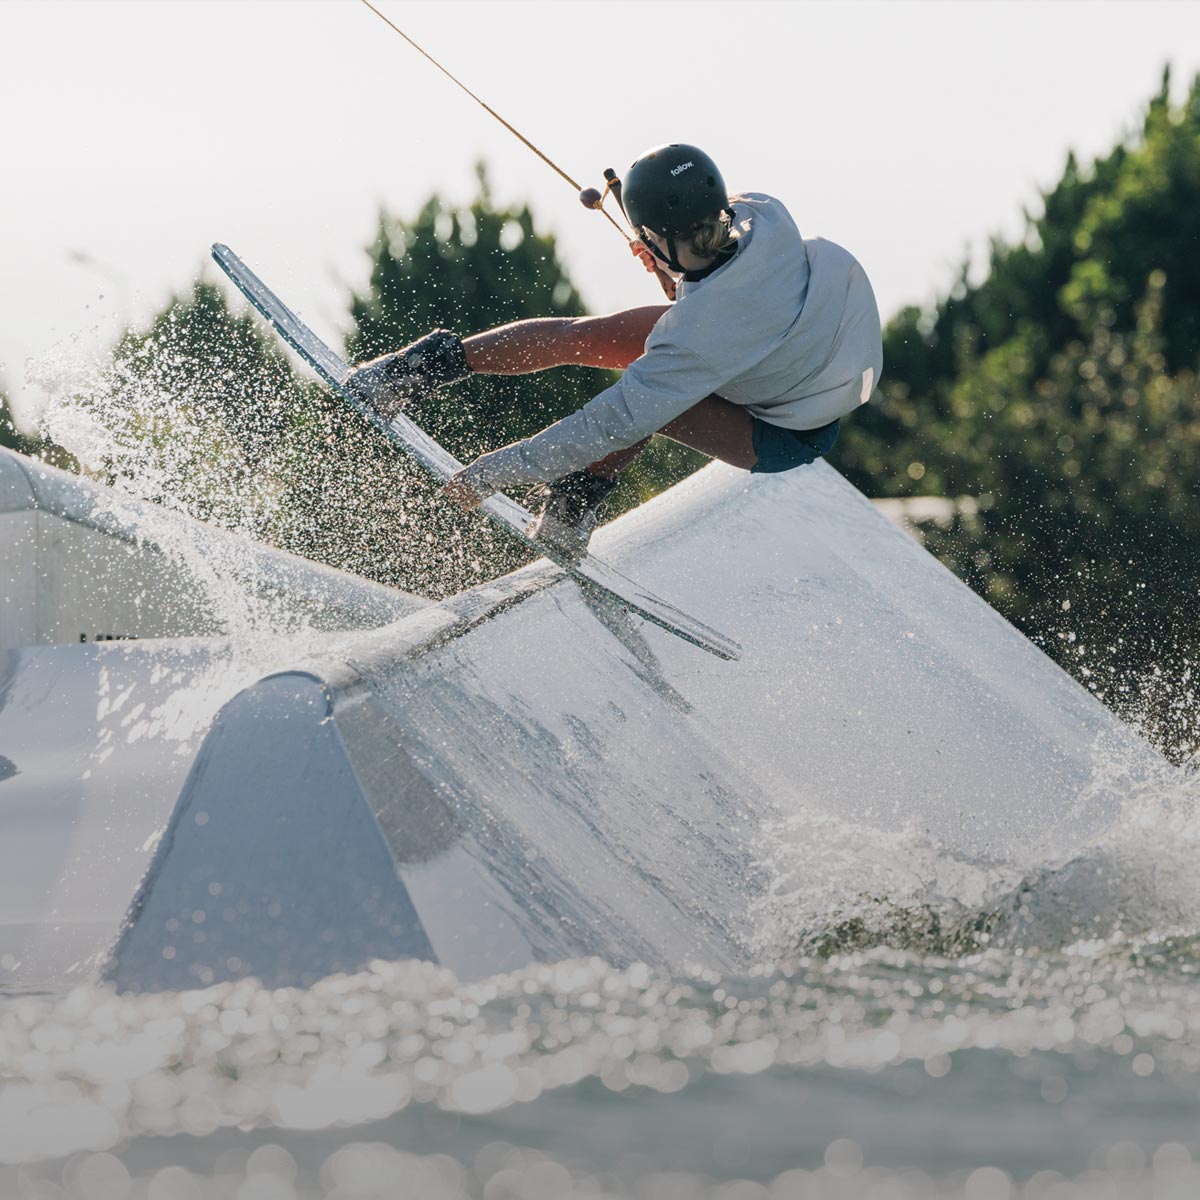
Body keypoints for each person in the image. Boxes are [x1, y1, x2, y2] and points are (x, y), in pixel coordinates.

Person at [345, 143, 883, 561]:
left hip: (789, 432)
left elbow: (606, 425)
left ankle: (572, 507)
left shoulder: (698, 337)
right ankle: (412, 371)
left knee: (650, 403)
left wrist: (491, 472)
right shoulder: (763, 216)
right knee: (583, 333)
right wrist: (671, 269)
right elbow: (728, 299)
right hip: (783, 350)